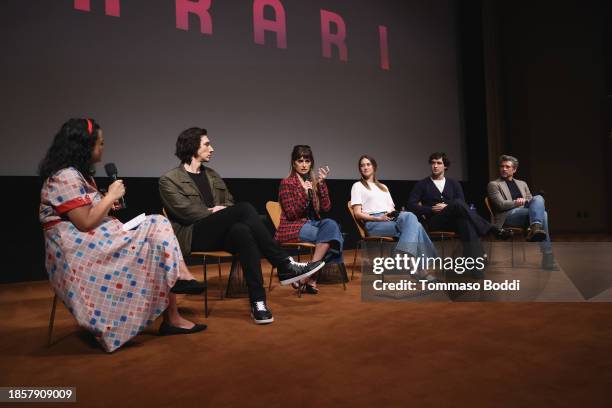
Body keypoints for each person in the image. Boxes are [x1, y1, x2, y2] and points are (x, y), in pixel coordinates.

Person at [39, 118, 207, 353]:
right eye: (100, 143)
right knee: (156, 227)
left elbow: (89, 212)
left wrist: (107, 201)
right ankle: (178, 280)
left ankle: (174, 312)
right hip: (78, 249)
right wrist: (109, 196)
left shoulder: (80, 175)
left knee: (156, 236)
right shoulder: (65, 176)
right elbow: (85, 222)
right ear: (84, 146)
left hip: (98, 239)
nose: (102, 148)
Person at [159, 128, 325, 324]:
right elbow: (185, 212)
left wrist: (222, 211)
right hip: (193, 234)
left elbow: (229, 202)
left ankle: (259, 303)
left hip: (219, 233)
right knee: (245, 209)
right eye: (206, 144)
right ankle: (284, 264)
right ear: (192, 146)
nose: (212, 149)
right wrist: (214, 211)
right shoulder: (169, 180)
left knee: (242, 231)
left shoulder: (212, 175)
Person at [408, 152, 512, 263]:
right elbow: (411, 205)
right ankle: (491, 229)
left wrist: (448, 206)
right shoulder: (422, 184)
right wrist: (430, 209)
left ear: (445, 166)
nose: (435, 166)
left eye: (439, 163)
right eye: (433, 163)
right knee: (457, 203)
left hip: (453, 222)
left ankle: (476, 264)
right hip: (435, 222)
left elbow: (462, 203)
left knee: (465, 222)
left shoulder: (453, 183)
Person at [351, 155, 438, 277]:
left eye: (368, 164)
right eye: (362, 165)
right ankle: (419, 269)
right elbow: (357, 213)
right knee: (416, 225)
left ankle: (405, 255)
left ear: (374, 167)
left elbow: (391, 209)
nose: (365, 167)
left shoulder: (383, 187)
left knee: (410, 218)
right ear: (360, 169)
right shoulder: (357, 186)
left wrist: (395, 215)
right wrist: (378, 218)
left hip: (390, 219)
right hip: (374, 223)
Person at [276, 145, 344, 294]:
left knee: (332, 225)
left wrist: (321, 184)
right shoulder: (287, 183)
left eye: (307, 160)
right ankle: (311, 278)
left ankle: (305, 276)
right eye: (300, 161)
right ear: (294, 163)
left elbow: (326, 208)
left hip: (313, 224)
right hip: (294, 226)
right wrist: (305, 194)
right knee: (334, 237)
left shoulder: (312, 182)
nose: (304, 164)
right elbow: (292, 214)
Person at [487, 155, 557, 270]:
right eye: (502, 166)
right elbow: (500, 205)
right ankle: (547, 256)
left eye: (507, 166)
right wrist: (516, 202)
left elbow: (530, 200)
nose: (504, 169)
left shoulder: (522, 183)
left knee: (539, 198)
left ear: (514, 169)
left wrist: (527, 201)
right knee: (543, 214)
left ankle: (535, 227)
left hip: (524, 212)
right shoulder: (494, 185)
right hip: (507, 216)